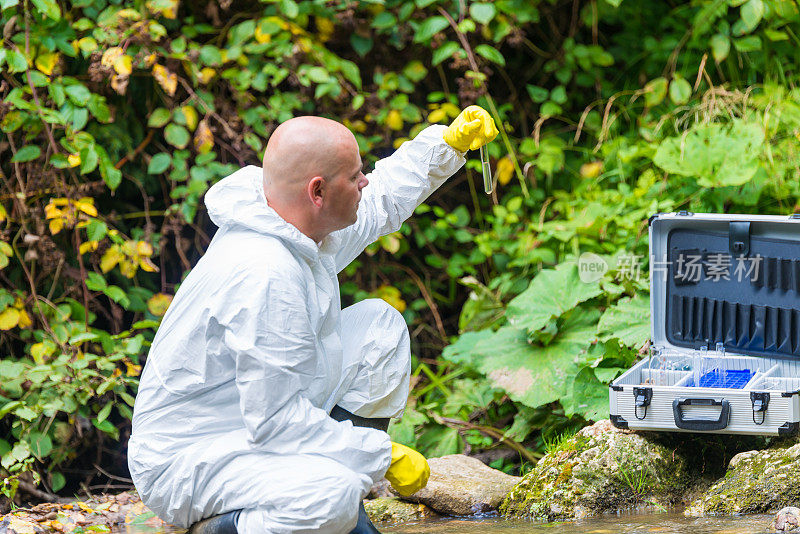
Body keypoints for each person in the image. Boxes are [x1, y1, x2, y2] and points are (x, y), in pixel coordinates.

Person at [127, 106, 499, 534]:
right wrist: (382, 454)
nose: (364, 183)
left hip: (252, 420)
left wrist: (446, 144)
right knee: (329, 494)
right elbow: (276, 423)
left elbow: (379, 200)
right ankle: (224, 526)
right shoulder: (265, 273)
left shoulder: (293, 222)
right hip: (189, 459)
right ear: (317, 191)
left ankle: (341, 502)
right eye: (355, 175)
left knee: (379, 328)